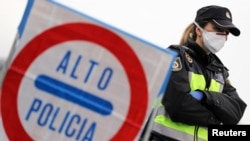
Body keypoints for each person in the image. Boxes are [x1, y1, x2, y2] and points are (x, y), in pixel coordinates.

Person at [148, 5, 247, 141]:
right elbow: (179, 106)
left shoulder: (219, 71)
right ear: (199, 30)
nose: (223, 36)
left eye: (226, 32)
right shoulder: (177, 56)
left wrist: (205, 96)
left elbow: (236, 111)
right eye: (218, 29)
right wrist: (218, 121)